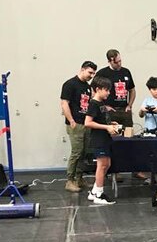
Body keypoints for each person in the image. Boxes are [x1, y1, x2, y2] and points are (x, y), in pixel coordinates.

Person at [95, 49, 143, 179]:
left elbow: (132, 90)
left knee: (129, 140)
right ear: (110, 61)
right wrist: (104, 106)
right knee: (114, 142)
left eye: (121, 60)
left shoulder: (126, 72)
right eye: (117, 62)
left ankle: (135, 169)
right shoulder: (102, 73)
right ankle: (116, 172)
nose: (119, 64)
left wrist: (130, 105)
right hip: (111, 112)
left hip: (124, 110)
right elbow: (94, 92)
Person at [60, 61, 96, 193]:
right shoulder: (70, 84)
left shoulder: (87, 87)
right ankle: (70, 180)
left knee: (84, 152)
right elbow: (64, 103)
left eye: (93, 73)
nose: (91, 76)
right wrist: (71, 121)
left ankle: (79, 178)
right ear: (82, 69)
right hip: (75, 124)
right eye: (89, 72)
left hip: (85, 123)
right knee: (76, 152)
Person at [84, 76, 121, 205]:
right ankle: (99, 194)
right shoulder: (93, 103)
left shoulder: (101, 104)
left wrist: (111, 123)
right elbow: (88, 123)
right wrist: (107, 127)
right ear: (98, 89)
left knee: (107, 164)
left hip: (105, 139)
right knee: (102, 165)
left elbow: (100, 119)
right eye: (106, 90)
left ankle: (95, 191)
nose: (109, 93)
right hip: (98, 139)